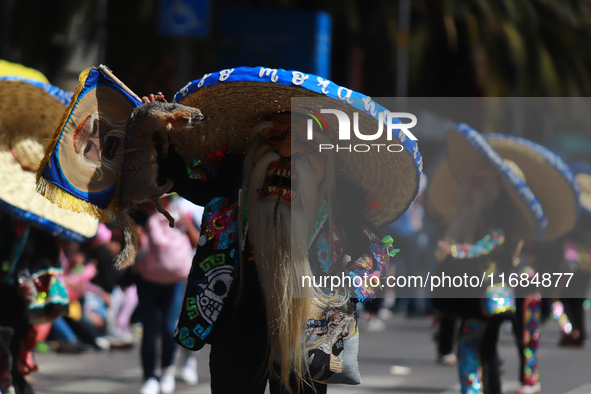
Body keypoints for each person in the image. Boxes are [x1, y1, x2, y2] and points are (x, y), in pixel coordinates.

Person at [158, 67, 422, 393]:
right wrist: (155, 133)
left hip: (305, 331)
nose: (285, 151)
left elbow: (376, 252)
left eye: (302, 143)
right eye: (275, 138)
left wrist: (340, 294)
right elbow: (177, 178)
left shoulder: (342, 197)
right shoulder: (234, 175)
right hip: (237, 320)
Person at [425, 125, 579, 394]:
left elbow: (493, 243)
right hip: (481, 291)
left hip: (506, 286)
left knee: (516, 337)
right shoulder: (474, 212)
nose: (476, 184)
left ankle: (526, 379)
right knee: (480, 347)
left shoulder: (504, 217)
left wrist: (460, 251)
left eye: (483, 180)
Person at [0, 62, 98, 393]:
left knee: (11, 362)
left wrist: (28, 280)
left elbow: (43, 255)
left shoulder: (40, 222)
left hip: (15, 301)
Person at [134, 196, 194, 394]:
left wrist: (187, 225)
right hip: (147, 280)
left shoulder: (181, 213)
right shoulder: (136, 213)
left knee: (170, 328)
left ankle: (167, 370)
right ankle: (150, 376)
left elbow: (198, 240)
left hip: (175, 281)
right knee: (149, 331)